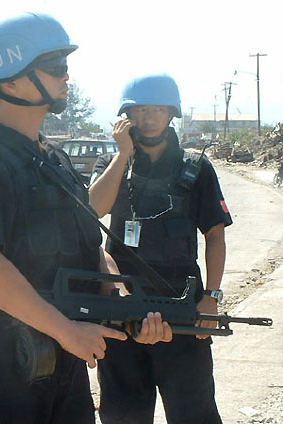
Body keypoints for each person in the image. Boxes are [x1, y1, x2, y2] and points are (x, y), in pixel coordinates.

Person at [0, 14, 172, 424]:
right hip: (0, 370)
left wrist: (131, 310)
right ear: (10, 81)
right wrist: (66, 330)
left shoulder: (55, 161)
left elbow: (92, 250)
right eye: (55, 67)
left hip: (64, 369)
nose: (67, 77)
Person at [88, 73, 233, 424]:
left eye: (157, 109)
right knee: (123, 416)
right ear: (125, 117)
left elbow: (215, 235)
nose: (148, 117)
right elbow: (91, 211)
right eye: (139, 110)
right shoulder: (111, 166)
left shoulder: (196, 169)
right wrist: (123, 155)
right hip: (121, 308)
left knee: (194, 414)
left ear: (171, 114)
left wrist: (211, 297)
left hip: (183, 312)